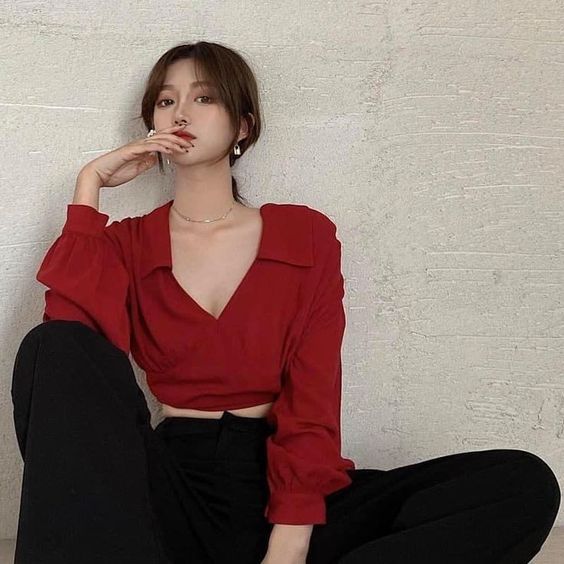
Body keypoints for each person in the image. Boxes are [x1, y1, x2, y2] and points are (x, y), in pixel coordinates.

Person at [11, 41, 561, 564]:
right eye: (165, 100)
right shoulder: (127, 245)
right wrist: (89, 187)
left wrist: (290, 540)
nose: (181, 113)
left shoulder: (304, 236)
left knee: (520, 483)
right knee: (50, 345)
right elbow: (68, 365)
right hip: (171, 493)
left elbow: (314, 390)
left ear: (243, 126)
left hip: (281, 485)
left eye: (204, 97)